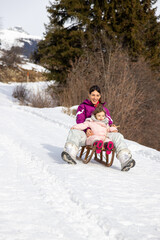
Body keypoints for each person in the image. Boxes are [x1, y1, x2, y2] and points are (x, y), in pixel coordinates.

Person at [61, 85, 136, 171]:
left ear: (100, 96)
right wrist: (86, 130)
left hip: (103, 135)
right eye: (93, 95)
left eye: (97, 95)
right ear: (89, 95)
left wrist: (112, 126)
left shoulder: (104, 109)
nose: (95, 97)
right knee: (75, 132)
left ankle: (125, 159)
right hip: (88, 135)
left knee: (118, 136)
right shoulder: (83, 106)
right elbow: (80, 120)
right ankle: (70, 153)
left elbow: (109, 121)